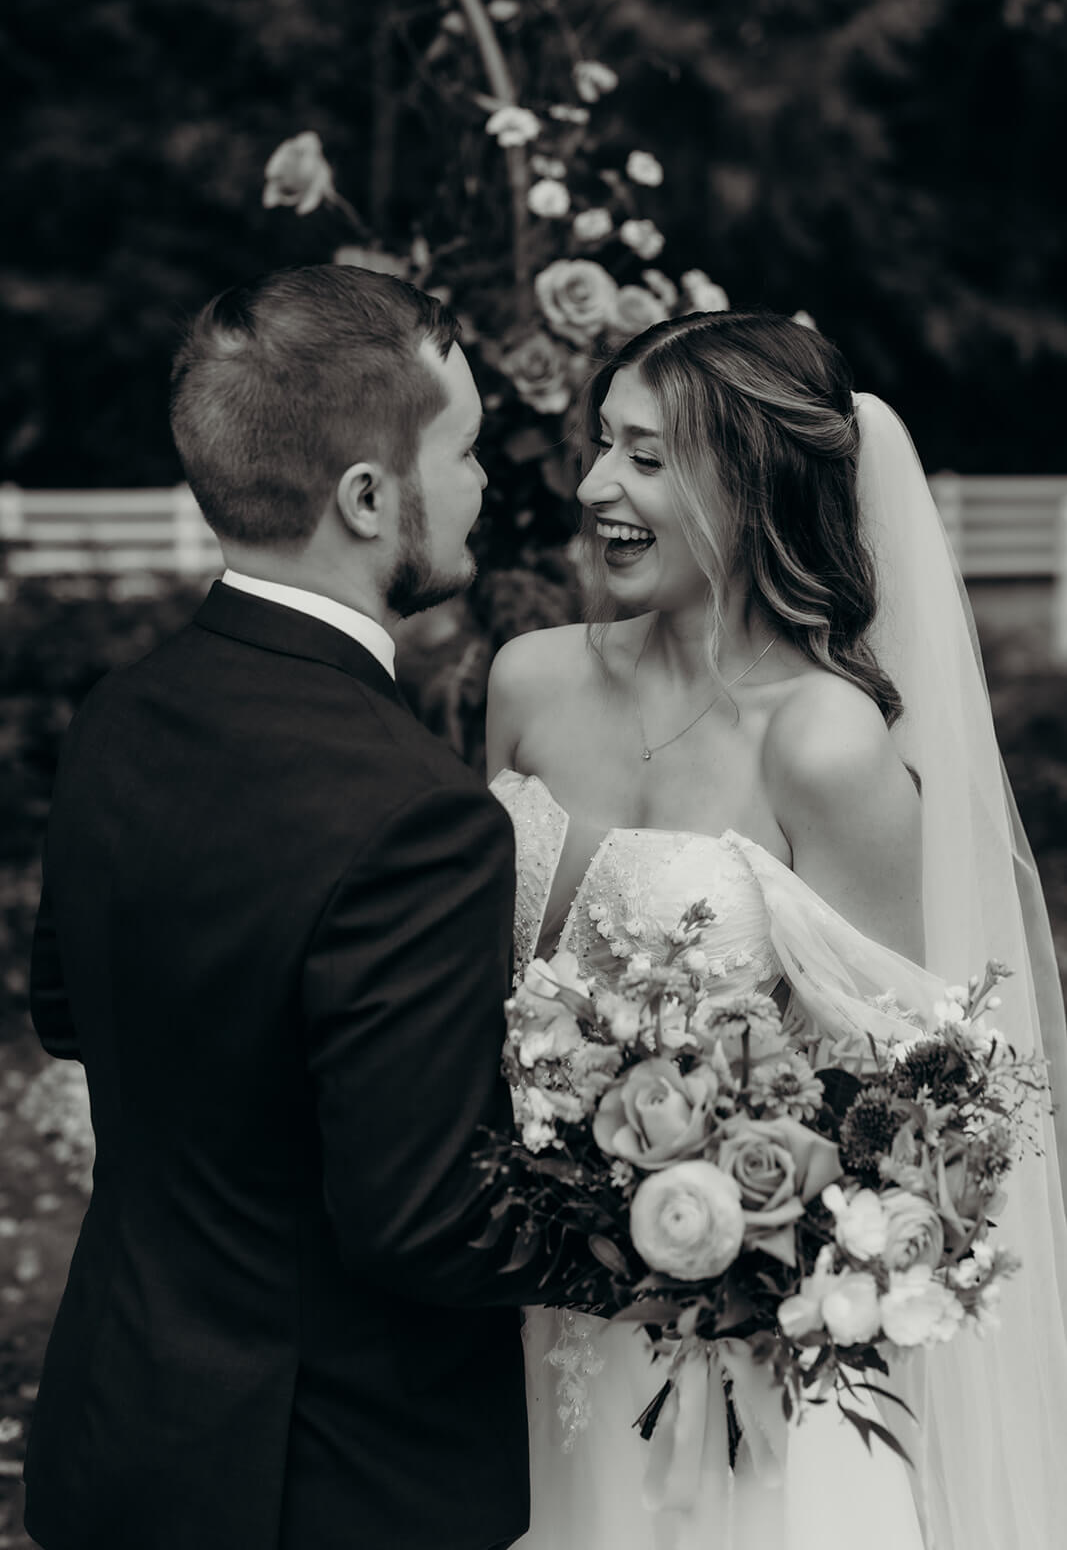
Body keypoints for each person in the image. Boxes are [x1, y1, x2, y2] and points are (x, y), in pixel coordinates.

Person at [487, 309, 1067, 1550]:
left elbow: (922, 1108)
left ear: (749, 486)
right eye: (600, 445)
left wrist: (733, 1224)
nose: (596, 486)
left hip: (731, 1373)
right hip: (513, 1322)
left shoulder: (823, 741)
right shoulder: (525, 681)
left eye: (645, 457)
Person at [24, 264, 565, 1550]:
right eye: (470, 447)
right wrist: (671, 1223)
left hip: (122, 1430)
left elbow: (65, 1007)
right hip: (327, 1479)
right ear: (369, 497)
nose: (490, 481)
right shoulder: (418, 815)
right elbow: (423, 1221)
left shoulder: (121, 715)